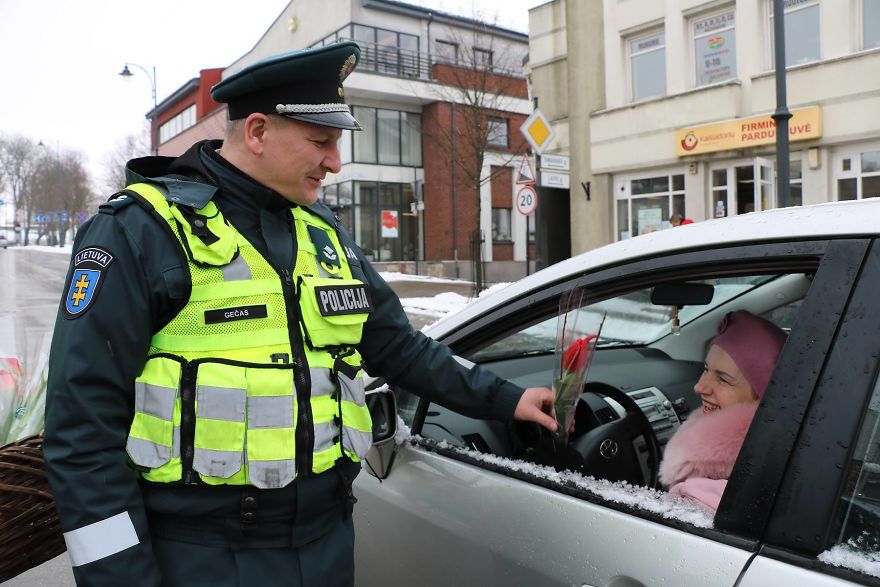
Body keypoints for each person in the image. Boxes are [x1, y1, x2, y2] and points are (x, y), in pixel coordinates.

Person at [43, 41, 557, 587]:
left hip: (327, 546)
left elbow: (397, 346)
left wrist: (508, 398)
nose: (335, 162)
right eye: (321, 142)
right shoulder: (139, 231)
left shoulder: (322, 233)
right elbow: (82, 434)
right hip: (202, 560)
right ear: (258, 132)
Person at [658, 310, 786, 512]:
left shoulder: (703, 496)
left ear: (762, 397)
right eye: (706, 369)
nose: (699, 387)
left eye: (723, 379)